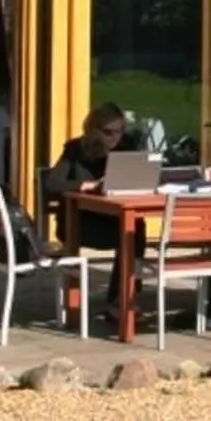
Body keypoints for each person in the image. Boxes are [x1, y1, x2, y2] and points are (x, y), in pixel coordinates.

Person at [43, 103, 141, 309]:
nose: (115, 137)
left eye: (120, 131)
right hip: (78, 223)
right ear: (94, 130)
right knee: (131, 234)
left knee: (136, 228)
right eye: (109, 132)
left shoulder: (126, 147)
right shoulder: (76, 149)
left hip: (110, 218)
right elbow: (51, 183)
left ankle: (122, 297)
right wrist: (83, 185)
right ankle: (123, 299)